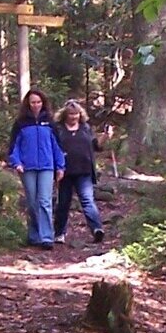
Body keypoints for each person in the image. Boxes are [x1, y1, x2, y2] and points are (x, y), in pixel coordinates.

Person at [6, 91, 66, 249]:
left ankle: (47, 237)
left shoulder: (50, 122)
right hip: (27, 168)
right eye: (33, 102)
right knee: (32, 203)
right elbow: (13, 146)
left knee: (45, 201)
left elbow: (57, 147)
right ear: (28, 104)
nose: (36, 105)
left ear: (43, 103)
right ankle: (34, 235)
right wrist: (16, 162)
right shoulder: (21, 123)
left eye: (39, 102)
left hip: (47, 167)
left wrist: (60, 166)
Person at [52, 100, 107, 245]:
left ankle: (97, 229)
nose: (73, 117)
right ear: (65, 114)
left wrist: (106, 136)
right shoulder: (58, 129)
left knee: (87, 200)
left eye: (76, 114)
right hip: (64, 171)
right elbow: (53, 147)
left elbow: (97, 146)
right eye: (70, 114)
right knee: (63, 202)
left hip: (84, 170)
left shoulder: (85, 128)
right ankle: (59, 233)